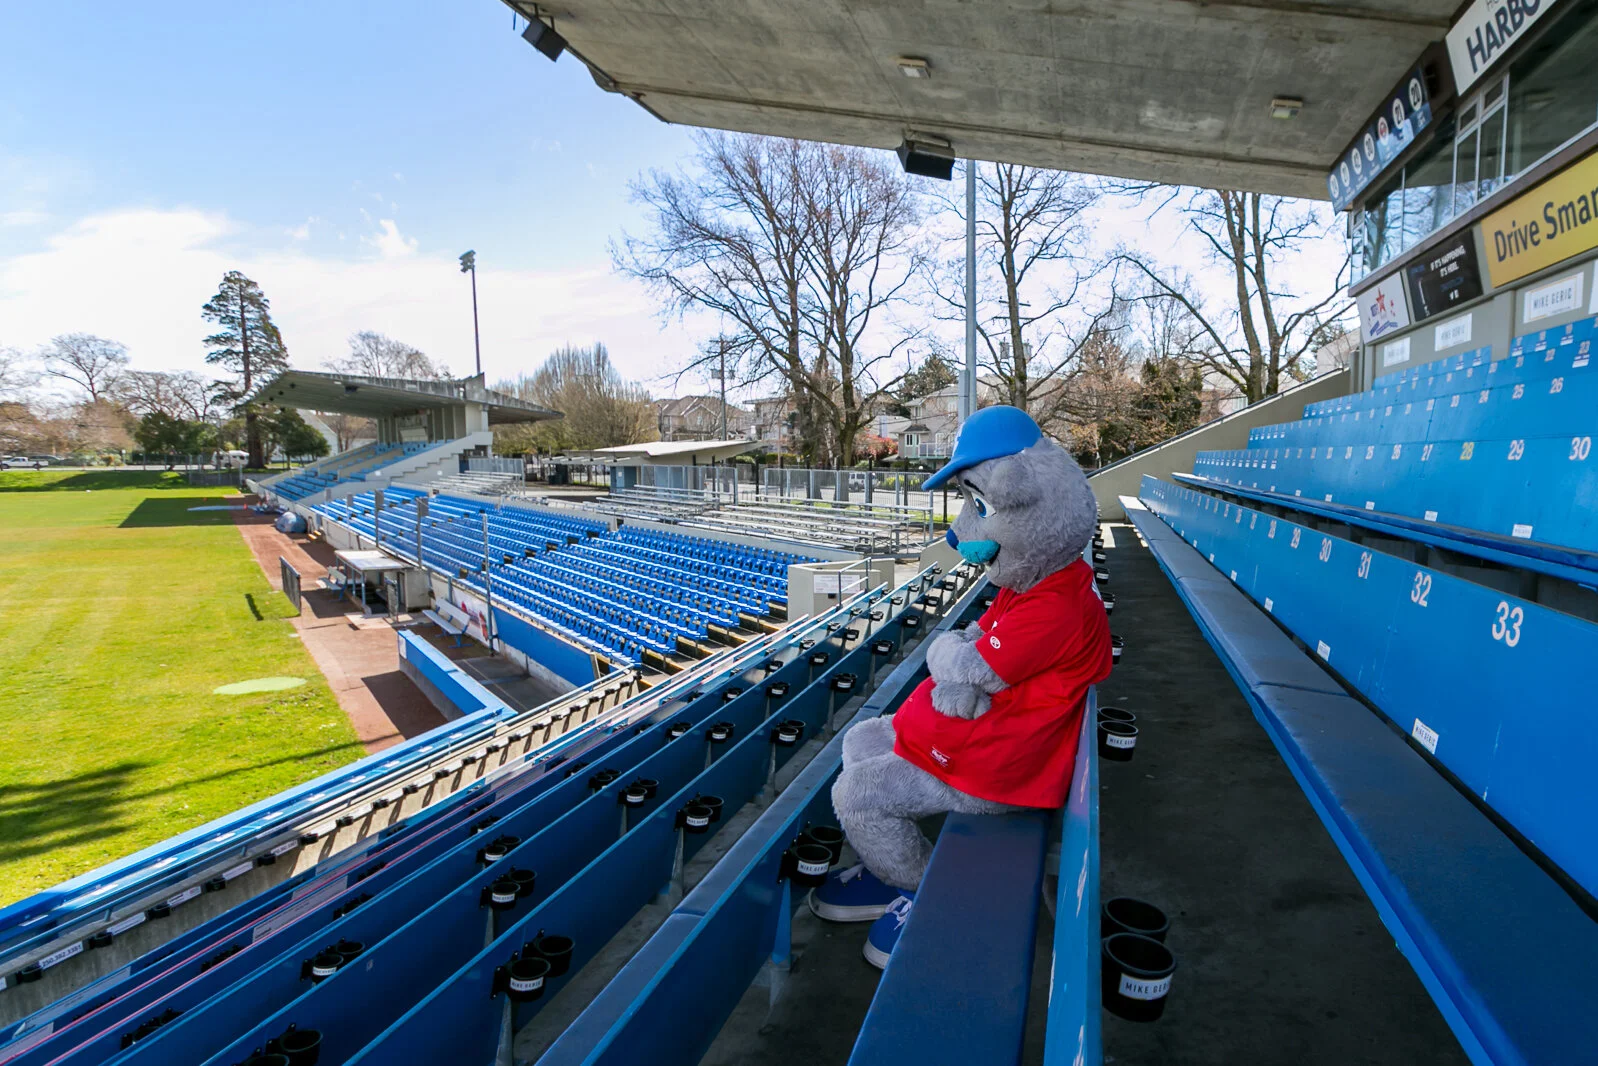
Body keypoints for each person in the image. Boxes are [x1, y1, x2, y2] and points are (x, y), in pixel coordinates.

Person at [809, 405, 1112, 968]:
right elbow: (978, 636)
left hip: (1002, 770)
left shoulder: (1058, 602)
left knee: (856, 796)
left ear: (1027, 499)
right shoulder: (1037, 579)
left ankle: (922, 890)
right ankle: (888, 866)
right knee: (864, 740)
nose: (964, 532)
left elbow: (964, 661)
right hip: (982, 740)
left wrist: (948, 655)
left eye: (981, 507)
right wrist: (960, 656)